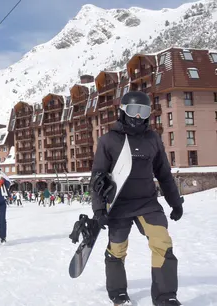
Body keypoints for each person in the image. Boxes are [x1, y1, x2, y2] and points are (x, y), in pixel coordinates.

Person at [90, 91, 183, 306]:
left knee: (163, 243)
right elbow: (97, 177)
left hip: (147, 203)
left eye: (144, 111)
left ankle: (166, 295)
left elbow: (164, 173)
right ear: (123, 111)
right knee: (117, 249)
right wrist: (99, 209)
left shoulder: (153, 139)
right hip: (118, 205)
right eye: (134, 110)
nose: (139, 117)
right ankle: (118, 293)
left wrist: (175, 202)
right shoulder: (108, 140)